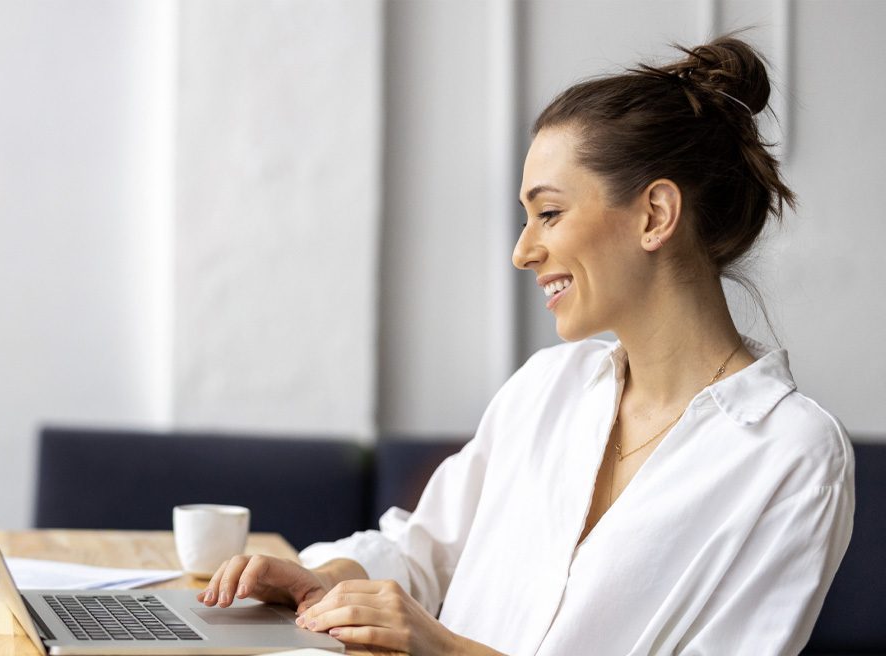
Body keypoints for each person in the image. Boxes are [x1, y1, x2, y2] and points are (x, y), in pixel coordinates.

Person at [198, 36, 855, 655]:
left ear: (655, 215)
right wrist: (325, 579)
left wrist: (445, 647)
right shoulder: (548, 387)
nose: (522, 251)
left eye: (549, 213)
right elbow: (425, 551)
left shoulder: (791, 455)